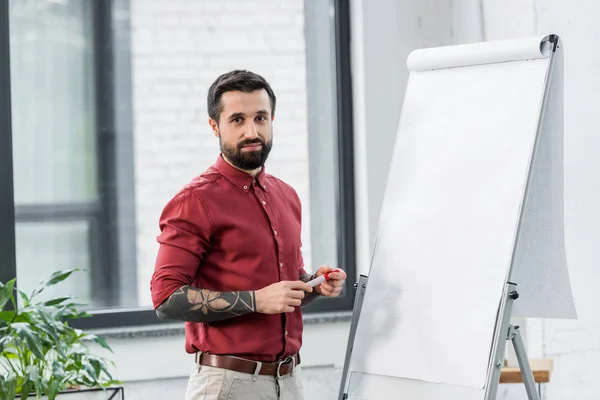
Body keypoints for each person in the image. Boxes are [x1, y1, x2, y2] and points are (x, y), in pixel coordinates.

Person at [150, 69, 347, 400]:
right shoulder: (195, 201)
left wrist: (314, 284)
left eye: (260, 118)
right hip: (227, 385)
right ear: (215, 126)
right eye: (238, 120)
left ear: (272, 119)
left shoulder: (286, 195)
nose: (252, 131)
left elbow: (282, 286)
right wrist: (258, 300)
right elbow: (166, 299)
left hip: (290, 380)